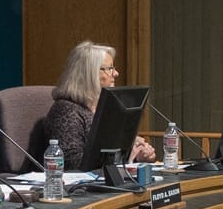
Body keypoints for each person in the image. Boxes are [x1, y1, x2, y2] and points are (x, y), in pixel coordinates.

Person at [40, 40, 156, 169]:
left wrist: (137, 153)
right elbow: (71, 164)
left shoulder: (106, 108)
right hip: (76, 187)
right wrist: (126, 158)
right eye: (110, 68)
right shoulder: (66, 111)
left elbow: (108, 152)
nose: (116, 73)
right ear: (90, 73)